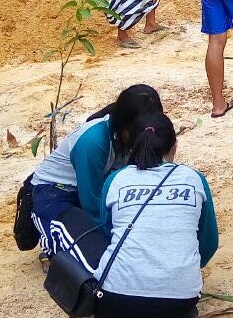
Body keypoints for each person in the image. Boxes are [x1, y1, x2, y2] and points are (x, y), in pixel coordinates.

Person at [93, 111, 218, 318]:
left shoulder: (116, 180)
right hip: (180, 297)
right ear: (174, 145)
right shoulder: (194, 179)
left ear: (132, 146)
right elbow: (208, 242)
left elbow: (107, 231)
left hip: (116, 295)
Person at [29, 84, 164, 269]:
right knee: (92, 261)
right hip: (55, 193)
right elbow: (92, 204)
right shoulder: (93, 141)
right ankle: (51, 243)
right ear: (125, 126)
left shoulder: (134, 136)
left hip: (97, 188)